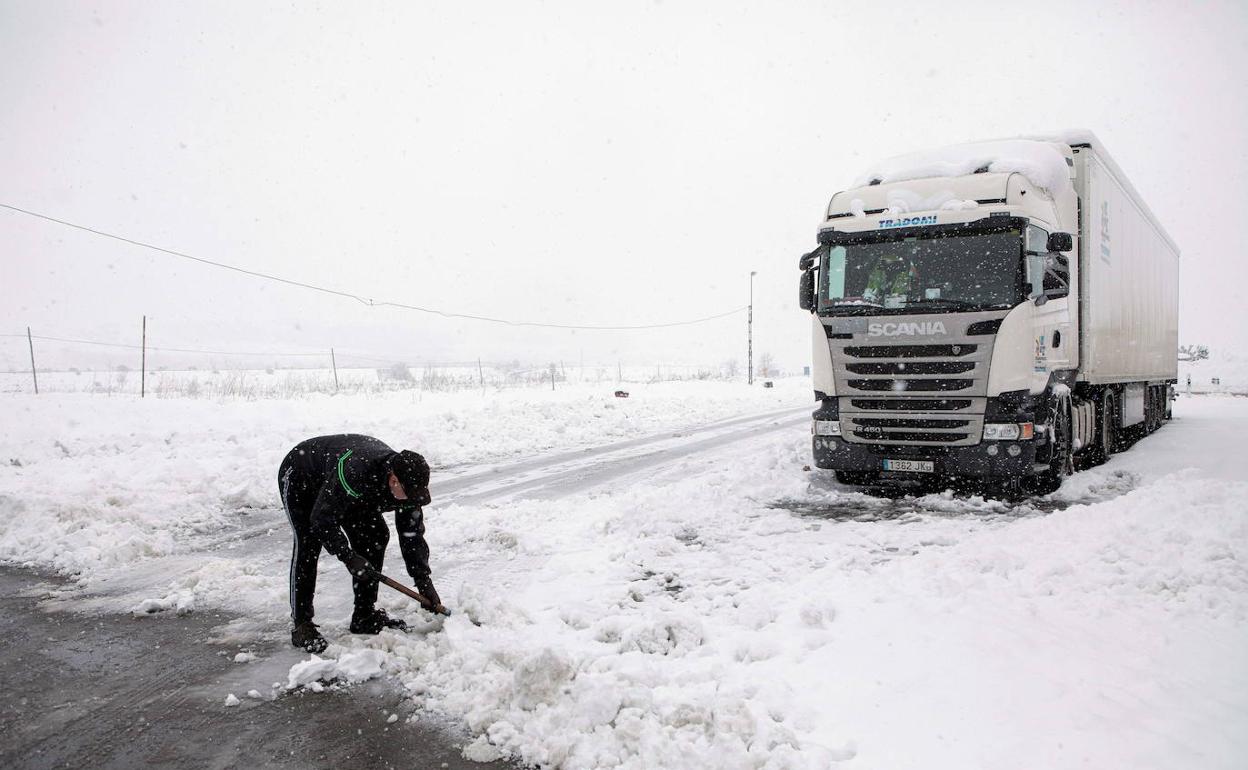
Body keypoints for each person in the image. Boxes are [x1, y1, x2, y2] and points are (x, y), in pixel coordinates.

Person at [278, 434, 442, 653]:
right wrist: (348, 556)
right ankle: (301, 624)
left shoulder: (408, 485)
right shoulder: (356, 470)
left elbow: (411, 535)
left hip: (348, 489)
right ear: (394, 481)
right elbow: (322, 519)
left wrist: (423, 581)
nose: (413, 498)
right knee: (308, 543)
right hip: (303, 476)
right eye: (409, 494)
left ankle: (364, 615)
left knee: (375, 537)